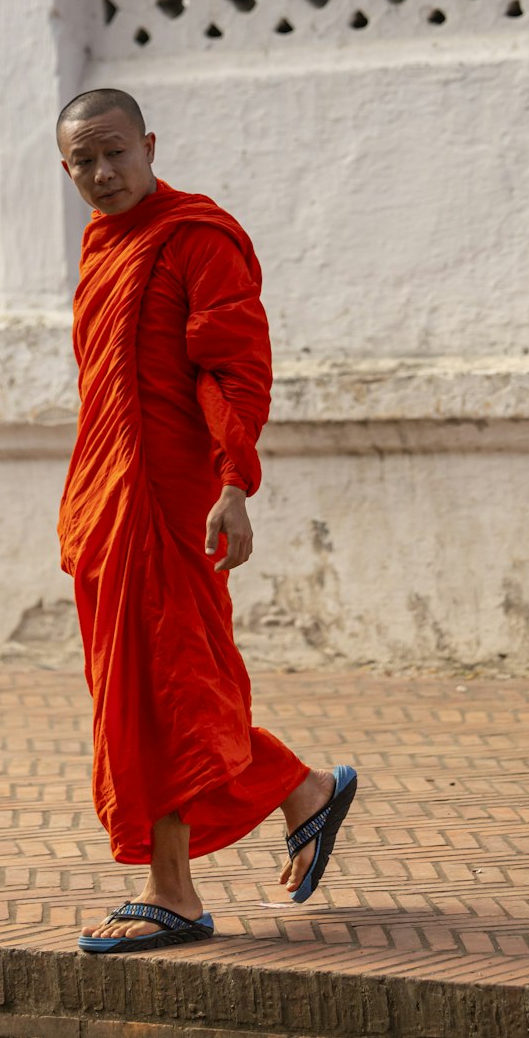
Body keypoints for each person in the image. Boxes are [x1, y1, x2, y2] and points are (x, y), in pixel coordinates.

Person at [55, 87, 356, 956]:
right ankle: (300, 789)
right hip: (110, 499)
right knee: (138, 686)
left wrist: (235, 482)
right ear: (66, 168)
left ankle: (175, 893)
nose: (104, 173)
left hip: (175, 499)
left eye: (117, 152)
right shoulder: (101, 245)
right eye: (85, 161)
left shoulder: (196, 237)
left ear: (149, 145)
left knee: (171, 685)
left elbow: (232, 367)